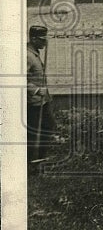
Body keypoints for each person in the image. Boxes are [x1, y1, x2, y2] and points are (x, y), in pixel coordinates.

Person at [26, 25, 59, 171]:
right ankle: (32, 163)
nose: (45, 42)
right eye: (42, 39)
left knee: (48, 126)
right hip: (33, 102)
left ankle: (41, 158)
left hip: (43, 101)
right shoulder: (27, 55)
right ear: (33, 39)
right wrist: (37, 90)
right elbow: (20, 79)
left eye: (46, 38)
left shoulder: (35, 53)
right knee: (33, 133)